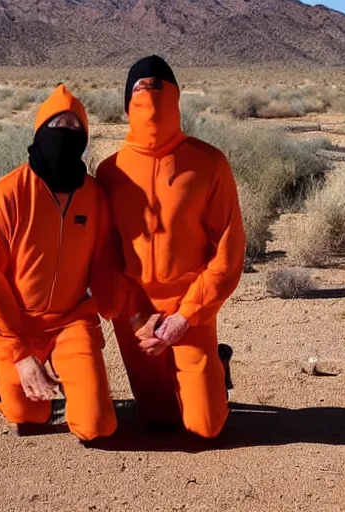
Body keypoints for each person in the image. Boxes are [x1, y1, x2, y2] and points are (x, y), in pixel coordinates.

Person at [96, 55, 246, 439]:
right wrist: (131, 316)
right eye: (139, 89)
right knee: (158, 419)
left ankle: (214, 363)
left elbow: (227, 254)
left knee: (205, 426)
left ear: (176, 97)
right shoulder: (110, 171)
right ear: (126, 102)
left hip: (189, 307)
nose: (149, 97)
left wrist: (186, 316)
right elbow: (104, 254)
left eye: (158, 86)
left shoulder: (209, 164)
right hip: (135, 312)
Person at [0, 84, 132, 441]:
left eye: (75, 129)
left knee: (97, 427)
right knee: (28, 416)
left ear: (86, 139)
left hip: (71, 319)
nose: (66, 135)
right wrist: (16, 351)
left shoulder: (94, 197)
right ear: (40, 132)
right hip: (19, 324)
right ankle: (1, 376)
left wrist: (120, 306)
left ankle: (69, 377)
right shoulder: (5, 196)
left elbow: (105, 262)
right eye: (58, 126)